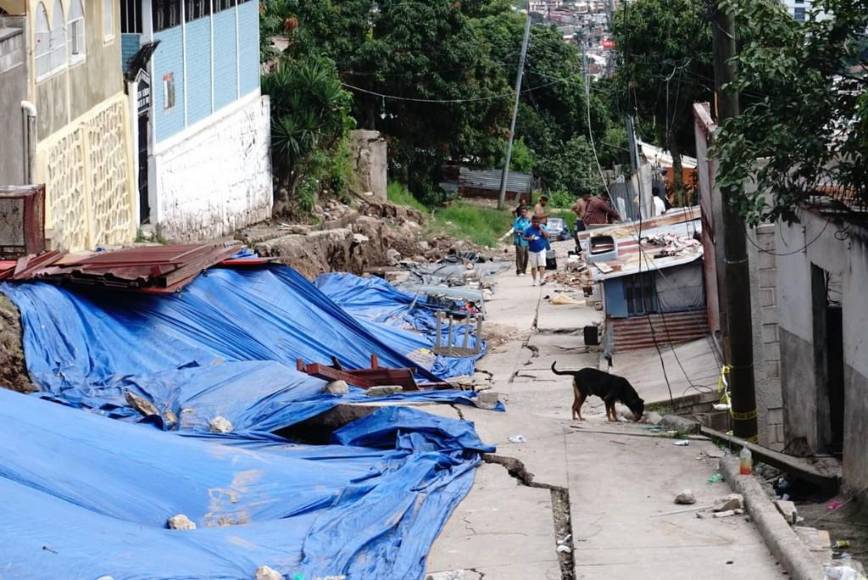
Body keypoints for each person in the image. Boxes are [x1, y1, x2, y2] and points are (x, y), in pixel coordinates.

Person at [524, 214, 550, 287]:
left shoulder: (543, 227)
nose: (536, 224)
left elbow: (547, 235)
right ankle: (534, 280)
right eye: (534, 222)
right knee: (533, 266)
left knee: (542, 265)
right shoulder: (528, 229)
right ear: (532, 221)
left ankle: (541, 279)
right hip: (532, 250)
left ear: (539, 222)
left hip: (541, 249)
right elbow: (524, 237)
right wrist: (529, 239)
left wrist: (541, 229)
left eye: (537, 222)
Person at [512, 206, 531, 276]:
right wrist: (522, 232)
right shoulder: (517, 220)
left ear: (527, 212)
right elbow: (515, 230)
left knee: (526, 255)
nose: (524, 213)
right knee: (520, 255)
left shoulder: (528, 220)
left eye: (525, 212)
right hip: (519, 240)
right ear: (520, 213)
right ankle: (519, 270)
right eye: (522, 212)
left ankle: (524, 270)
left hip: (527, 241)